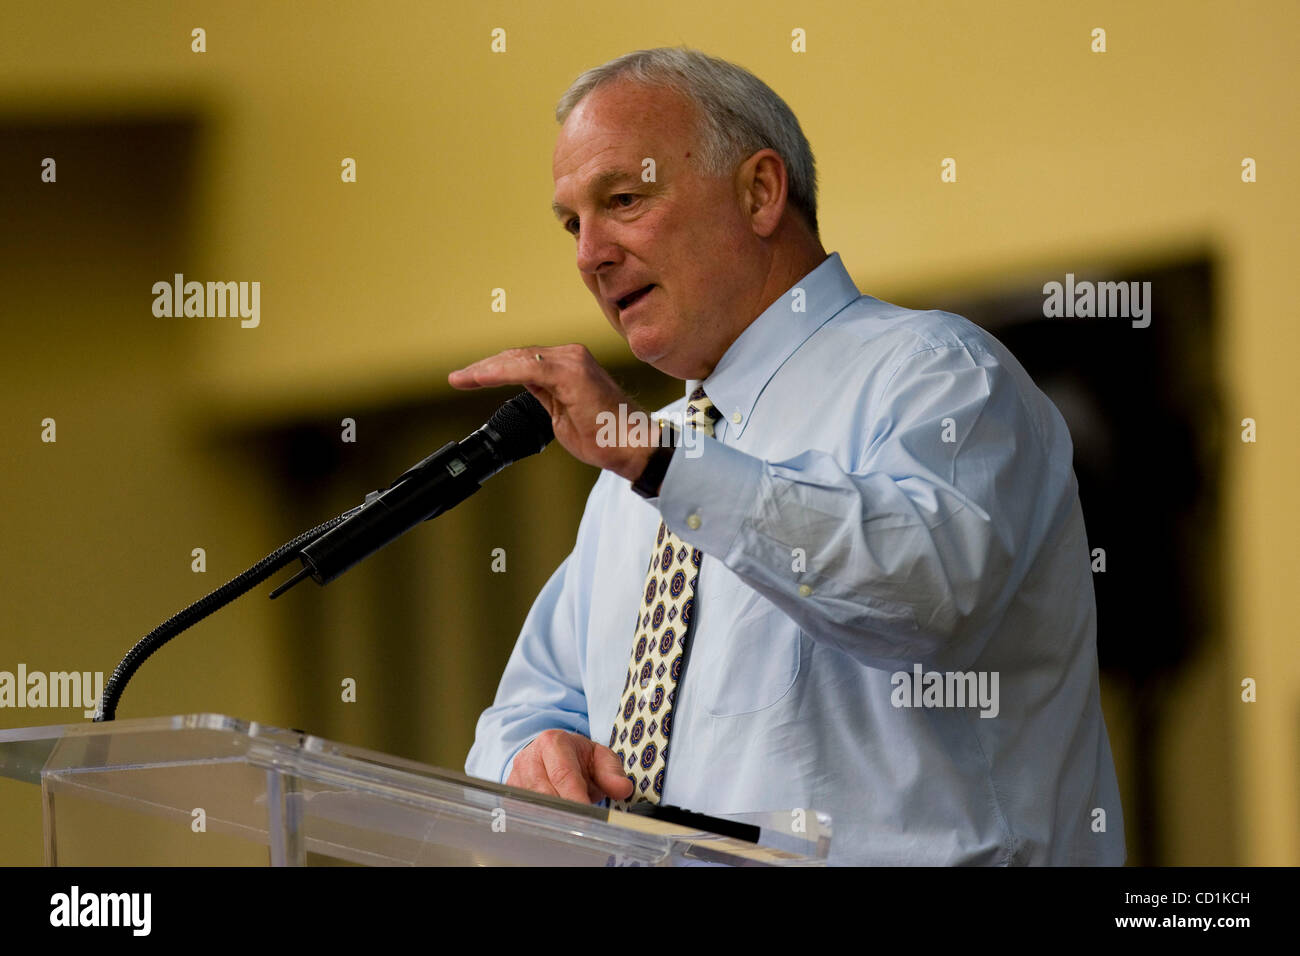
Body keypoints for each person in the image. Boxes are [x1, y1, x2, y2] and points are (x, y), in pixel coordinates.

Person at [451, 46, 1125, 865]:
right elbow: (528, 712)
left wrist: (657, 463)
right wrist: (533, 754)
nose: (590, 254)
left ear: (760, 192)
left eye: (622, 200)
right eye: (571, 224)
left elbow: (926, 595)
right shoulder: (638, 472)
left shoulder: (939, 375)